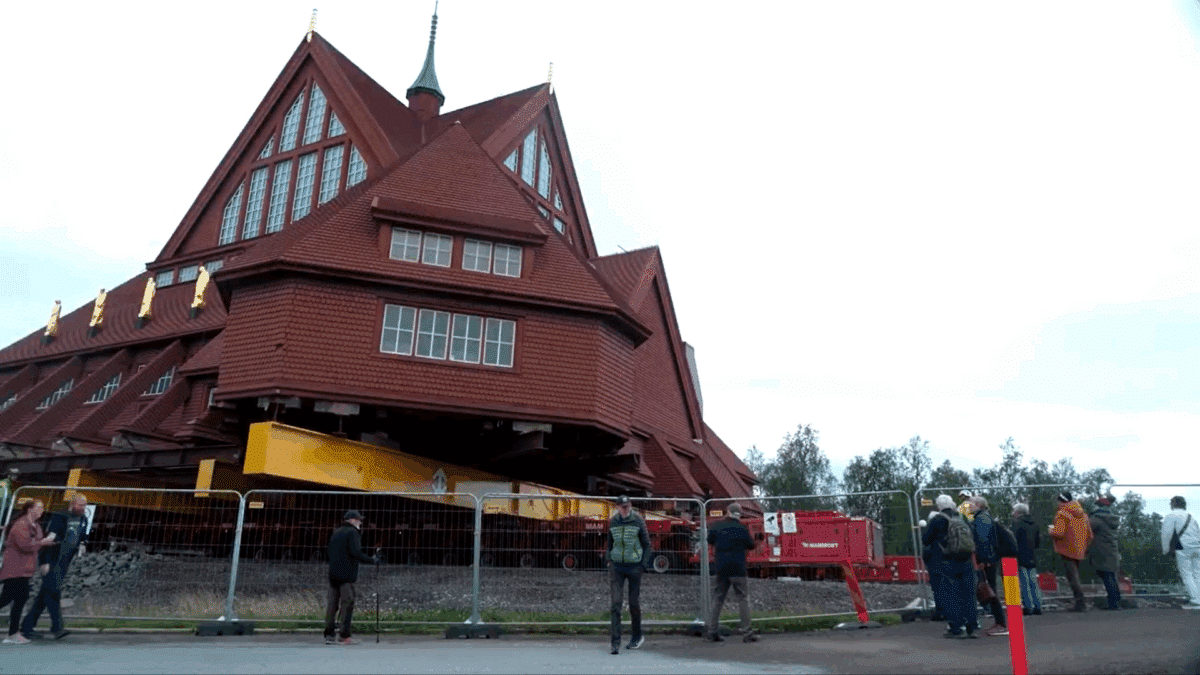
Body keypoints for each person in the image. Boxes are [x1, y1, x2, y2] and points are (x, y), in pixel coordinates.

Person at [21, 494, 88, 640]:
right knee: (53, 592)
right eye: (80, 505)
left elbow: (82, 535)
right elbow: (48, 539)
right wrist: (44, 562)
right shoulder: (60, 516)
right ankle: (56, 628)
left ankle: (27, 627)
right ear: (72, 504)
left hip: (64, 562)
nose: (83, 508)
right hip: (53, 560)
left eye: (85, 505)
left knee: (46, 594)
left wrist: (82, 545)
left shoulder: (83, 519)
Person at [923, 494, 979, 639]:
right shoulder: (962, 517)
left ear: (939, 506)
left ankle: (956, 626)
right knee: (968, 593)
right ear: (952, 504)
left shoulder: (937, 520)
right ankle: (972, 626)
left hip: (948, 560)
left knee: (952, 593)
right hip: (966, 559)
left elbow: (926, 539)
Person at [1, 500, 56, 645]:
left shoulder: (36, 526)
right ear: (30, 509)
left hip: (25, 569)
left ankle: (13, 633)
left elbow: (36, 543)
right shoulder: (21, 524)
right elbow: (24, 545)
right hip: (15, 567)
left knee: (15, 599)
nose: (42, 510)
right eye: (40, 507)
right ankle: (13, 634)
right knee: (13, 599)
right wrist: (42, 543)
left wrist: (48, 542)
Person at [706, 502, 758, 644]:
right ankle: (747, 633)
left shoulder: (717, 526)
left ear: (727, 512)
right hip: (738, 568)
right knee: (743, 599)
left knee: (718, 598)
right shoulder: (742, 528)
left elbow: (709, 539)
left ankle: (712, 631)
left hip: (721, 567)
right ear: (739, 514)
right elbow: (751, 545)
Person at [323, 510, 377, 645]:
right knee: (348, 604)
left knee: (332, 605)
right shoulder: (353, 533)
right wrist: (372, 560)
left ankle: (329, 634)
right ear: (352, 520)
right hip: (346, 575)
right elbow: (355, 552)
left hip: (333, 574)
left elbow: (329, 551)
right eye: (359, 520)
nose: (360, 522)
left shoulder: (336, 532)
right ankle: (344, 635)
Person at [607, 495, 650, 655]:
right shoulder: (613, 521)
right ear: (617, 507)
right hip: (617, 567)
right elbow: (609, 543)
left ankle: (636, 637)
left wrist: (642, 565)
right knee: (615, 604)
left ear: (630, 506)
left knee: (633, 603)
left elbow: (647, 544)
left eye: (627, 506)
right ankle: (615, 643)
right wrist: (609, 560)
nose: (625, 509)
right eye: (622, 507)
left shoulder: (638, 520)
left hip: (634, 567)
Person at [969, 496, 1008, 636]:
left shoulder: (981, 520)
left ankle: (1001, 624)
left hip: (987, 561)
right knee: (990, 590)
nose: (969, 506)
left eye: (971, 504)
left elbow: (983, 542)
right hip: (990, 559)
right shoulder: (984, 517)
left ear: (978, 505)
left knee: (990, 591)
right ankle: (999, 623)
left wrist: (982, 560)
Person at [1048, 492, 1093, 612]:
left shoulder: (1063, 514)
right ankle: (1080, 602)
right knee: (1075, 576)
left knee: (1072, 578)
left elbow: (1059, 533)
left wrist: (1051, 530)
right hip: (1079, 550)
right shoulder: (1083, 515)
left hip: (1066, 550)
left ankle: (1080, 603)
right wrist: (1083, 546)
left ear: (1061, 501)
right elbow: (1090, 535)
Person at [1160, 496, 1200, 609]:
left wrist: (1166, 550)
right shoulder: (1191, 517)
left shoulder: (1170, 516)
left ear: (1173, 504)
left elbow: (1166, 534)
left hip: (1183, 547)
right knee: (1197, 574)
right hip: (1197, 546)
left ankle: (1196, 601)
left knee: (1186, 574)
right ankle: (1199, 598)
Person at [1088, 494, 1122, 610]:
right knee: (1111, 576)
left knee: (1107, 577)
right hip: (1111, 550)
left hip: (1102, 551)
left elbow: (1085, 528)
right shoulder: (1111, 519)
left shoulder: (1097, 519)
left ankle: (1113, 603)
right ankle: (1116, 600)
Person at [1010, 503, 1043, 616]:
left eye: (1014, 511)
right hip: (1032, 556)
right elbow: (1038, 542)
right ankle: (1038, 605)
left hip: (1020, 556)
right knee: (1033, 582)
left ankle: (1028, 606)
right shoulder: (1035, 525)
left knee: (1024, 583)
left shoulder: (1017, 524)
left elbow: (1013, 541)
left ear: (1018, 512)